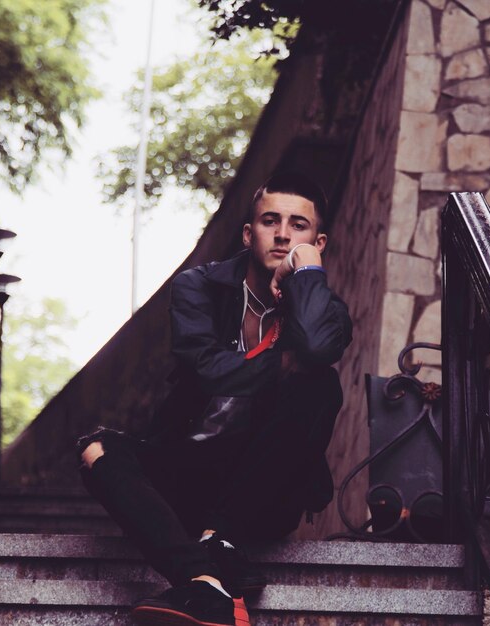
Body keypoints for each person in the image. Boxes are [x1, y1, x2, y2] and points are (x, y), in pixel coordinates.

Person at [77, 170, 353, 626]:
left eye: (298, 227)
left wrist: (304, 274)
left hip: (266, 486)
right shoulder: (198, 287)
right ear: (249, 233)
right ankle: (202, 581)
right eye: (270, 221)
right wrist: (282, 365)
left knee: (319, 382)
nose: (283, 234)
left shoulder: (326, 309)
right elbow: (207, 371)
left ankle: (219, 538)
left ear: (318, 242)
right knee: (96, 448)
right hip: (189, 468)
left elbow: (319, 350)